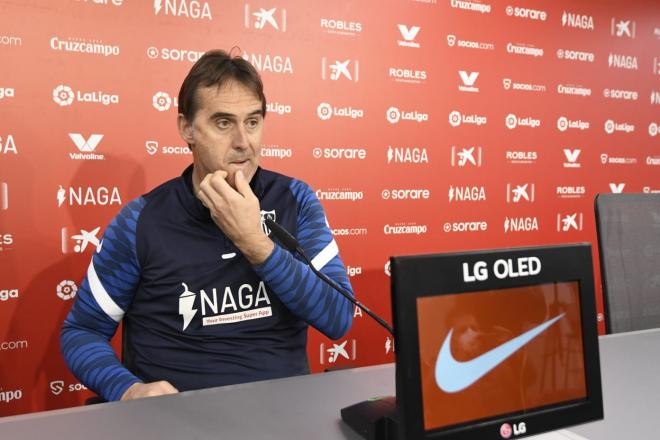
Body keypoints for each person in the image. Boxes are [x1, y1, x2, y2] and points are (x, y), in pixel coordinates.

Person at [60, 50, 354, 401]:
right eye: (223, 123)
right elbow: (82, 331)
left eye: (253, 122)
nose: (243, 142)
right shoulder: (141, 221)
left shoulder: (295, 199)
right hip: (178, 420)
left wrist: (255, 244)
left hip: (283, 413)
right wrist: (128, 389)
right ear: (187, 128)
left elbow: (338, 318)